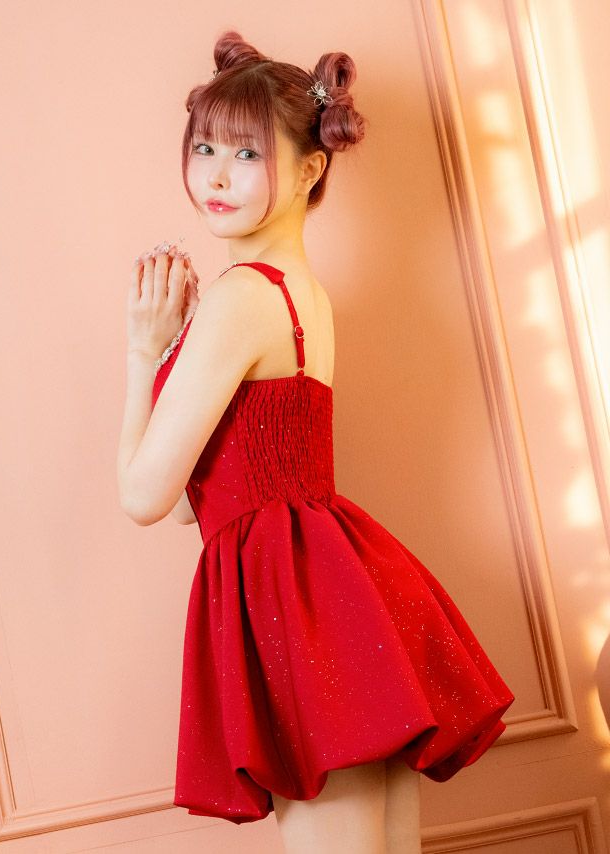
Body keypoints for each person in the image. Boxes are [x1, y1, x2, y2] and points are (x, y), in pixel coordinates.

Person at [116, 29, 515, 854]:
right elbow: (203, 499)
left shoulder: (240, 299)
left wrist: (141, 354)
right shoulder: (304, 294)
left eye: (247, 154)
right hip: (334, 591)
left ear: (309, 170)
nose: (216, 175)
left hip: (293, 608)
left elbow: (146, 496)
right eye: (204, 147)